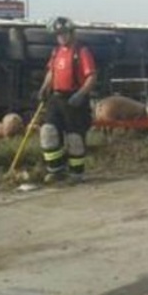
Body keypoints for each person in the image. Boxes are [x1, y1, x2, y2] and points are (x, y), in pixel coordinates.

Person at [37, 17, 98, 184]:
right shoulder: (56, 52)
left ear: (71, 33)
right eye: (58, 34)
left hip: (74, 100)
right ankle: (55, 170)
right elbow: (52, 72)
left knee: (75, 138)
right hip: (56, 99)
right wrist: (44, 88)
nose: (61, 37)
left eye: (64, 33)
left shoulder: (82, 51)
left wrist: (81, 94)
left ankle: (76, 173)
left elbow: (91, 76)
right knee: (48, 131)